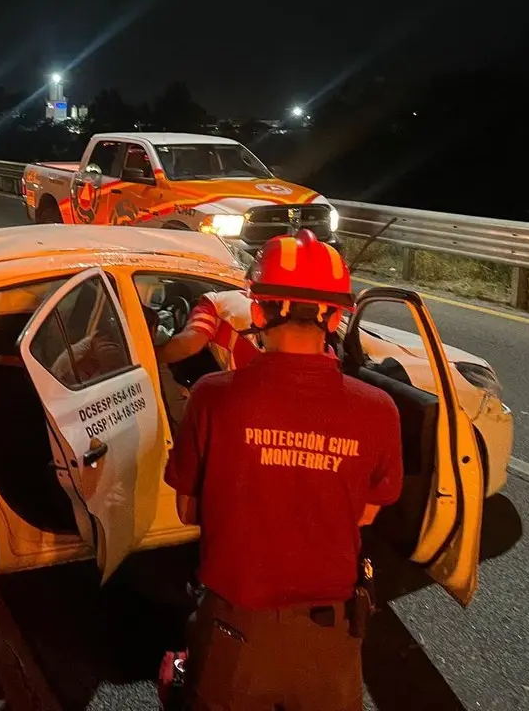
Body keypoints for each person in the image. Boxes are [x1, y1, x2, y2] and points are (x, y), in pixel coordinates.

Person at [164, 229, 403, 711]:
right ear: (336, 315)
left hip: (233, 633)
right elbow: (366, 514)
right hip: (330, 641)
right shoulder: (379, 409)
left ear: (257, 311)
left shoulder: (213, 396)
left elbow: (187, 509)